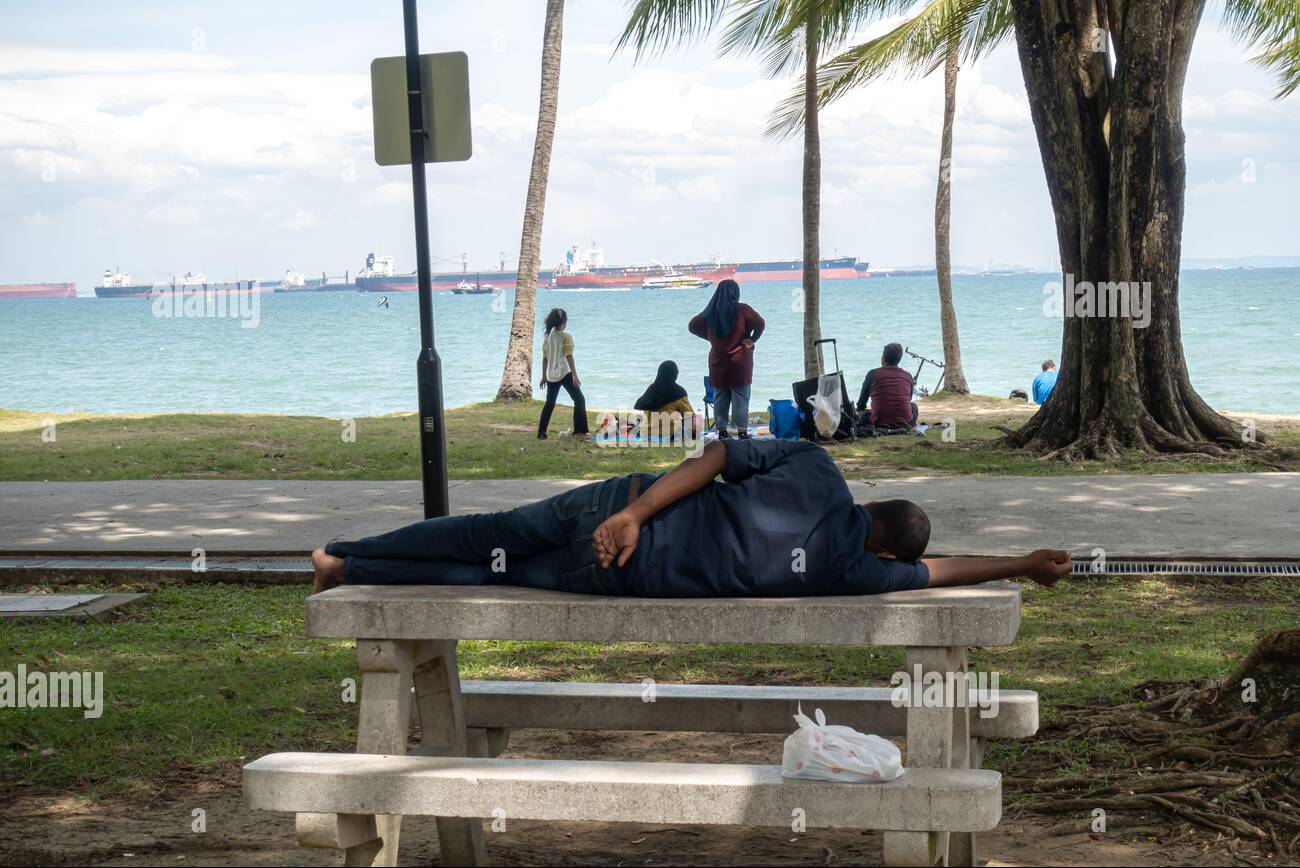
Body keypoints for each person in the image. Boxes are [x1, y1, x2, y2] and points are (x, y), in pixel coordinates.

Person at [311, 439, 1072, 598]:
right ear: (882, 546)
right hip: (621, 572)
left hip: (612, 510)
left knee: (480, 535)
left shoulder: (815, 464)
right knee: (484, 574)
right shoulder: (856, 573)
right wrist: (1023, 565)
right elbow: (940, 571)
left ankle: (339, 553)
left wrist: (637, 512)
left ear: (868, 504)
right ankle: (348, 571)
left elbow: (711, 456)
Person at [688, 279, 764, 439]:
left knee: (720, 397)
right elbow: (760, 323)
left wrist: (711, 338)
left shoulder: (710, 312)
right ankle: (742, 432)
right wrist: (752, 340)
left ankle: (722, 432)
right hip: (740, 362)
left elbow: (692, 325)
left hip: (718, 362)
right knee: (741, 397)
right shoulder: (743, 310)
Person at [537, 308, 590, 440]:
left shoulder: (547, 336)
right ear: (562, 322)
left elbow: (545, 358)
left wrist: (543, 376)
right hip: (565, 373)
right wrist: (575, 375)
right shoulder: (565, 336)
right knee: (579, 399)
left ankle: (541, 433)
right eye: (565, 321)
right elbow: (569, 356)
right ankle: (579, 432)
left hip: (551, 375)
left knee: (550, 403)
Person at [632, 359, 696, 444]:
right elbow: (689, 415)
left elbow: (639, 404)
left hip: (646, 433)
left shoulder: (652, 389)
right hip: (669, 434)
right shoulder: (679, 392)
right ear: (674, 374)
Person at [857, 342, 918, 428]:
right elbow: (908, 399)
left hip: (878, 423)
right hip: (904, 422)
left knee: (862, 414)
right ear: (899, 359)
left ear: (883, 358)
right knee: (914, 407)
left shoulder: (872, 374)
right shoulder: (908, 376)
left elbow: (861, 404)